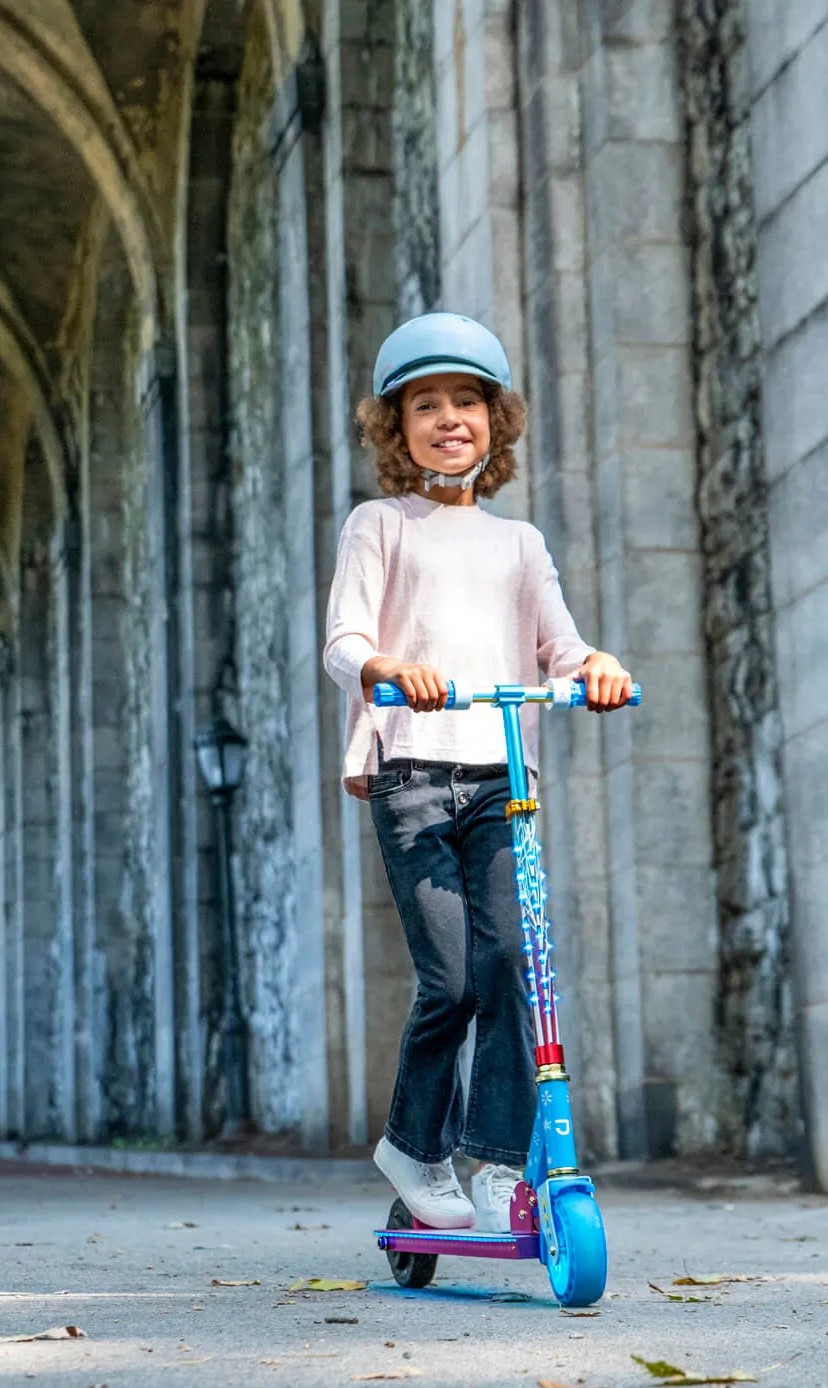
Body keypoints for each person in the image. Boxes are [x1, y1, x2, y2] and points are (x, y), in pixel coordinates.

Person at [322, 312, 633, 1232]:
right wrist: (386, 670)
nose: (448, 417)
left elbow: (563, 649)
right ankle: (413, 1149)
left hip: (504, 779)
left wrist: (598, 670)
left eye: (467, 401)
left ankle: (498, 1162)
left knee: (513, 969)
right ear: (396, 426)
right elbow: (345, 640)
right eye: (426, 404)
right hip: (412, 774)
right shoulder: (381, 524)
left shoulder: (520, 543)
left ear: (495, 421)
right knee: (452, 978)